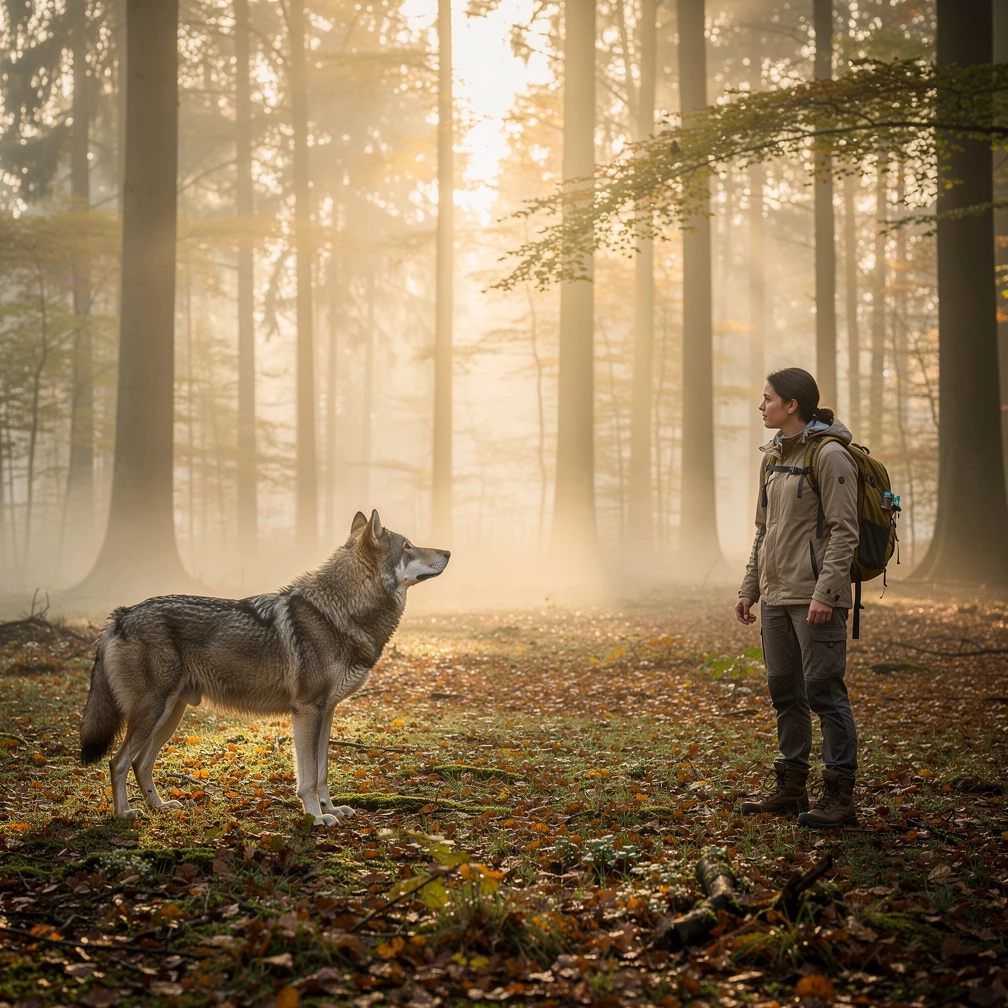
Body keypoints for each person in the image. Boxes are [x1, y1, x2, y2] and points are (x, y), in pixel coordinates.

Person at [735, 367, 860, 828]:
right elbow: (763, 531)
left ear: (792, 405)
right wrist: (750, 588)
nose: (761, 405)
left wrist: (827, 592)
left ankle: (839, 796)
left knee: (825, 693)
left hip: (815, 599)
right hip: (774, 596)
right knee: (785, 692)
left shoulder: (829, 456)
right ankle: (791, 787)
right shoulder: (771, 458)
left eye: (767, 398)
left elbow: (845, 532)